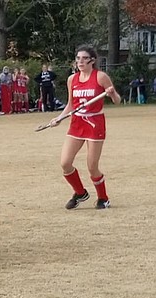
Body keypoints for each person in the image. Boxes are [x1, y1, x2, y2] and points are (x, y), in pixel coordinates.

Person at [49, 46, 121, 210]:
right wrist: (59, 118)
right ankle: (80, 193)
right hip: (77, 123)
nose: (80, 61)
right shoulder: (72, 79)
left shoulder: (100, 77)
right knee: (65, 163)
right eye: (78, 58)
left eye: (84, 58)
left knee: (92, 166)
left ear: (92, 60)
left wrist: (111, 93)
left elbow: (117, 100)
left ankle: (103, 198)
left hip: (95, 124)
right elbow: (70, 105)